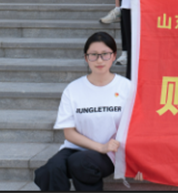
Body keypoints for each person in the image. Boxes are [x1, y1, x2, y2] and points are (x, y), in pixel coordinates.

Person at [34, 32, 132, 191]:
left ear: (114, 56)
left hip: (110, 152)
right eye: (93, 55)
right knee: (50, 170)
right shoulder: (73, 89)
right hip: (77, 148)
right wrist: (99, 147)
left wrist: (106, 148)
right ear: (86, 58)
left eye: (105, 54)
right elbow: (69, 133)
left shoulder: (127, 87)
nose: (99, 60)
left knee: (80, 163)